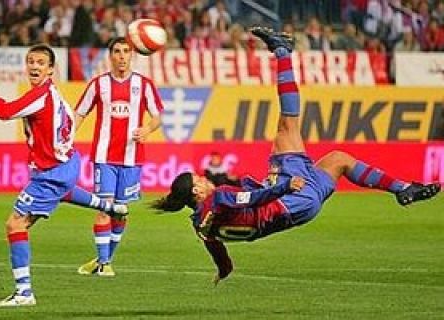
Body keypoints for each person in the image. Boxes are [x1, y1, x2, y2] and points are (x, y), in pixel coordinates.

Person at [151, 27, 441, 285]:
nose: (204, 179)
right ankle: (282, 51)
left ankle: (403, 189)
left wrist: (224, 270)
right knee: (288, 123)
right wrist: (283, 187)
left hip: (297, 210)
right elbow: (254, 199)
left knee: (338, 159)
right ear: (197, 190)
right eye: (199, 179)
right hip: (287, 199)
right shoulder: (219, 197)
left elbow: (218, 251)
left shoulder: (200, 225)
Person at [0, 44, 128, 307]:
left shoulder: (39, 96)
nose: (34, 66)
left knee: (15, 224)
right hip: (67, 164)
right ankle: (110, 207)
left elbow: (5, 111)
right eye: (31, 61)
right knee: (63, 193)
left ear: (51, 69)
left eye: (41, 62)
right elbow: (71, 123)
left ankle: (24, 293)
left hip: (52, 172)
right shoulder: (55, 94)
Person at [75, 37, 164, 277]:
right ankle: (105, 263)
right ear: (110, 55)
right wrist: (68, 137)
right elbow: (80, 112)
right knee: (105, 208)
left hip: (132, 158)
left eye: (126, 51)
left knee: (121, 211)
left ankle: (103, 259)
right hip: (104, 157)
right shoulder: (98, 84)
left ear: (132, 55)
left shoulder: (144, 85)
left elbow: (157, 117)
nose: (122, 56)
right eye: (117, 51)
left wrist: (147, 129)